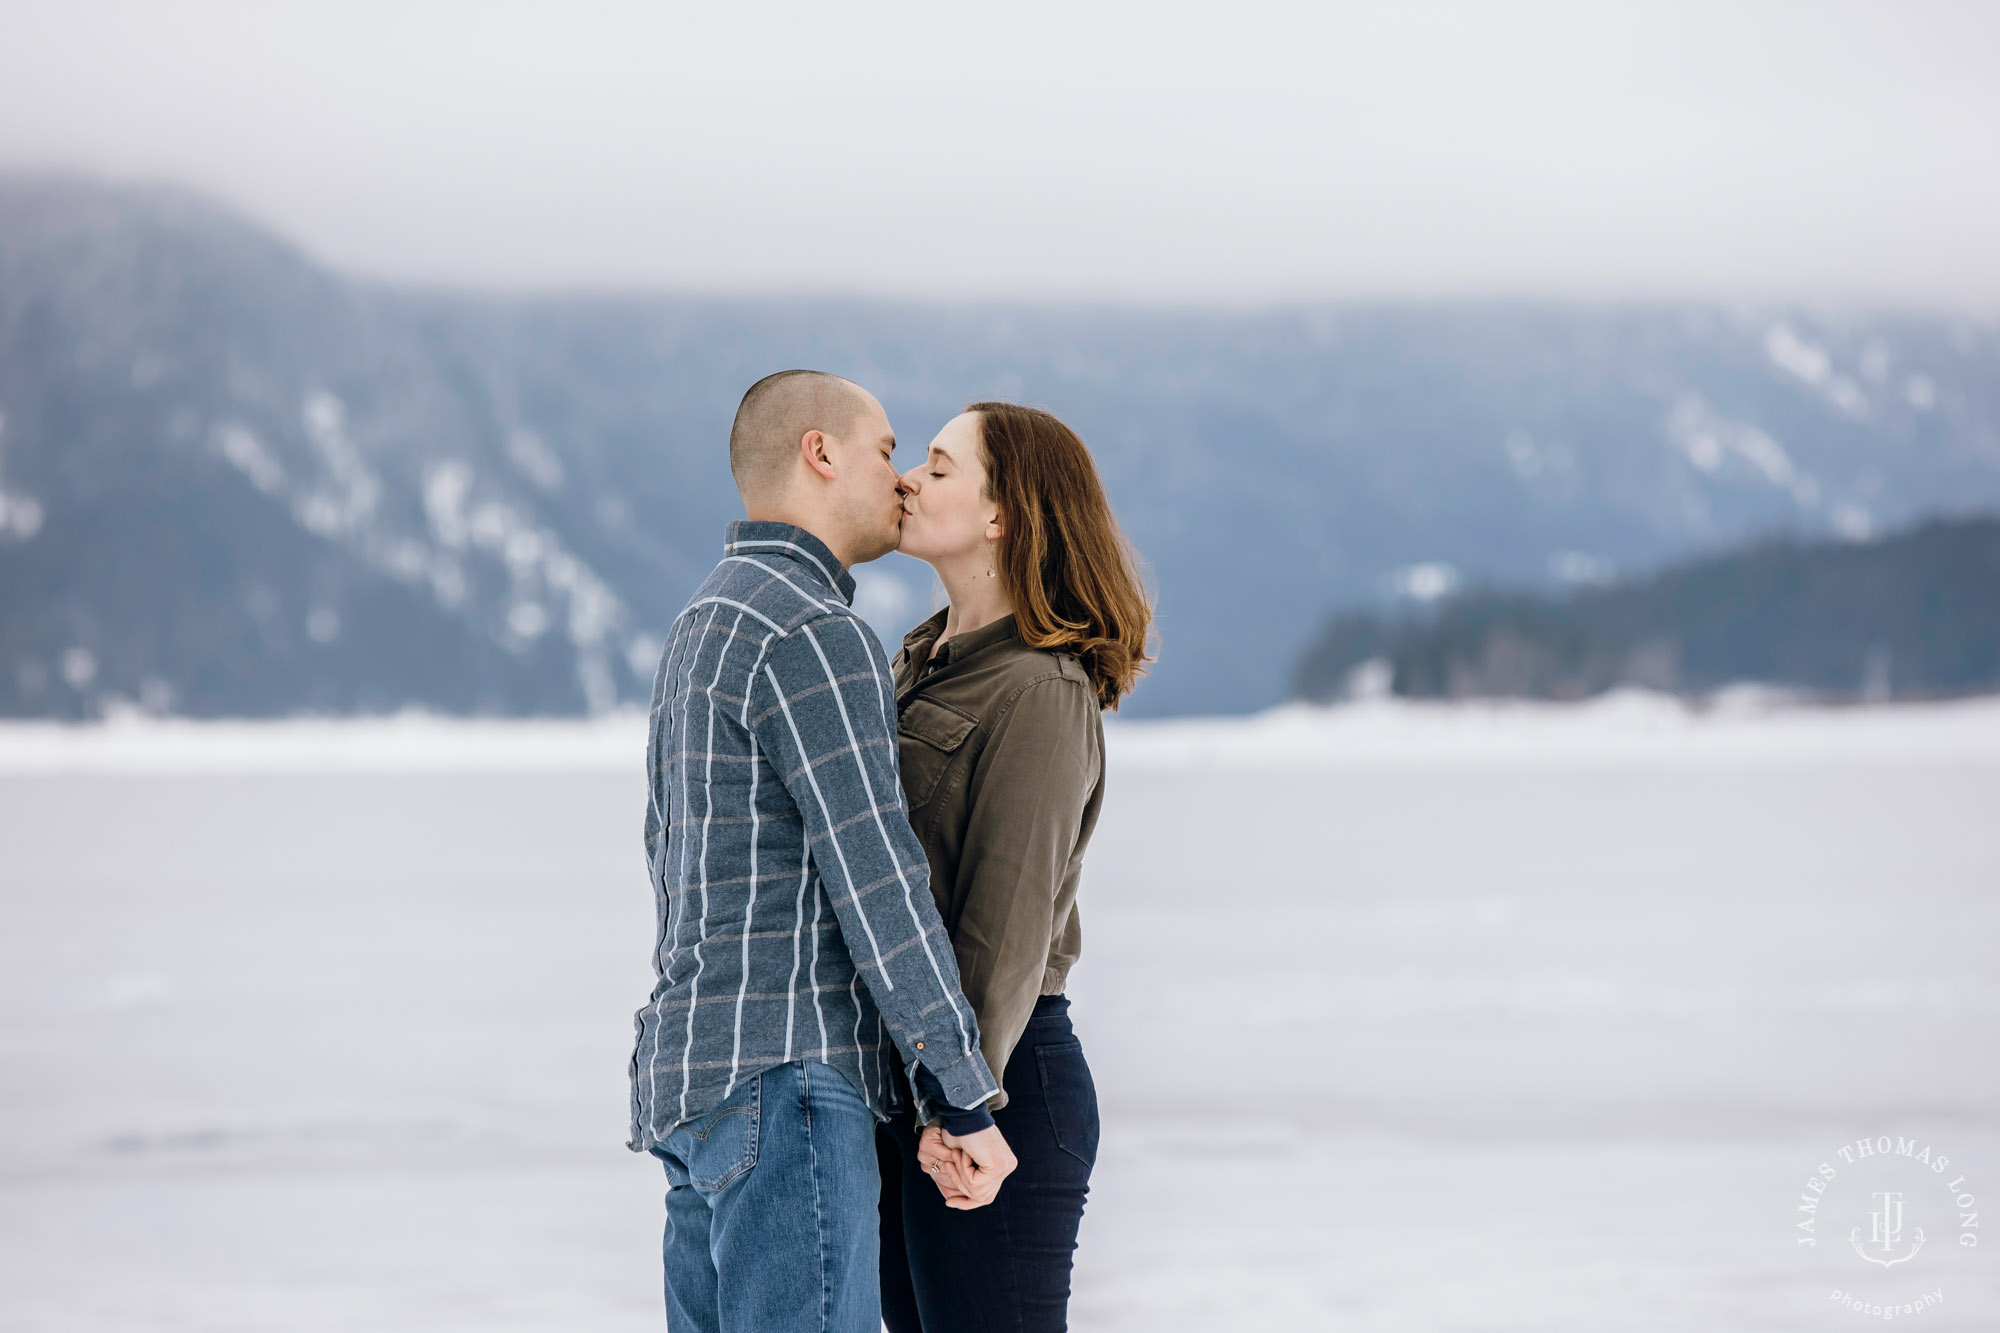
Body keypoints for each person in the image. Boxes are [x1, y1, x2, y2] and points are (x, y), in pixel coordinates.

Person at [627, 370, 1018, 1333]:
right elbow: (877, 876)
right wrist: (963, 1093)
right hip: (788, 1085)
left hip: (693, 1094)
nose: (901, 478)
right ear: (820, 452)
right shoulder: (814, 628)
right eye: (888, 450)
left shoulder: (699, 627)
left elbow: (666, 858)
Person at [877, 402, 1153, 1332]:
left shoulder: (1038, 686)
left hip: (1000, 1084)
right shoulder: (924, 659)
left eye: (940, 467)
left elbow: (1005, 923)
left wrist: (962, 1105)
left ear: (1003, 514)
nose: (909, 479)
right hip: (931, 1085)